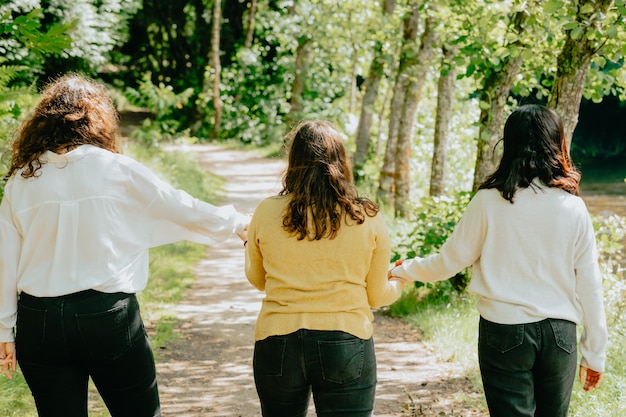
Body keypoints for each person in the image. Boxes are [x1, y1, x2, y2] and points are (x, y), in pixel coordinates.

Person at [0, 73, 249, 417]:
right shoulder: (115, 169)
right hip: (106, 318)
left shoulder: (22, 181)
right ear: (96, 119)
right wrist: (235, 223)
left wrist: (4, 330)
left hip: (39, 323)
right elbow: (178, 205)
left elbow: (5, 262)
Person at [389, 104, 607, 417]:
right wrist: (594, 354)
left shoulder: (489, 200)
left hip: (504, 331)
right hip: (560, 335)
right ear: (559, 145)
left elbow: (449, 262)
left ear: (509, 145)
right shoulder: (573, 208)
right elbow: (590, 286)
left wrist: (404, 269)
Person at [244, 120, 410, 417]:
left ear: (293, 162)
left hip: (278, 342)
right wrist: (399, 281)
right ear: (341, 163)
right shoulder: (366, 216)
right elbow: (376, 296)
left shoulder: (266, 211)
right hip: (346, 341)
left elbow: (259, 279)